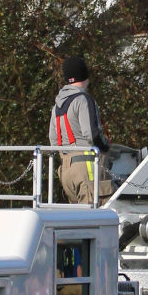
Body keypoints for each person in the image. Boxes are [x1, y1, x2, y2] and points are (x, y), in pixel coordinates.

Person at [51, 55, 111, 205]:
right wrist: (106, 148)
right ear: (85, 74)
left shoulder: (57, 105)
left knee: (79, 219)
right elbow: (92, 135)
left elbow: (53, 139)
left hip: (66, 170)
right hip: (87, 167)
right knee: (98, 217)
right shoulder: (83, 99)